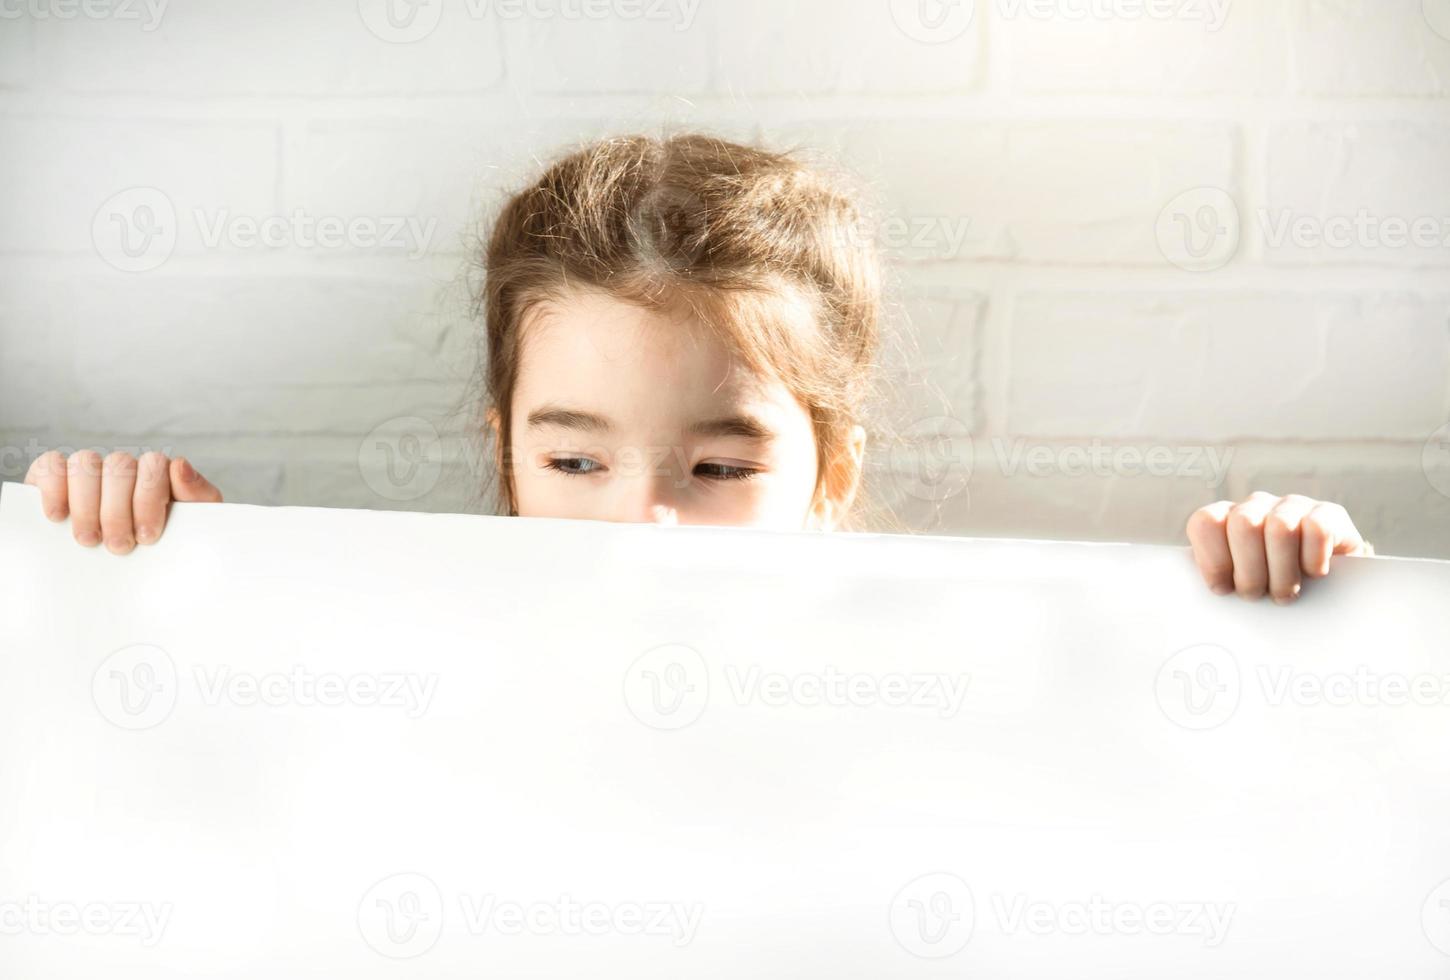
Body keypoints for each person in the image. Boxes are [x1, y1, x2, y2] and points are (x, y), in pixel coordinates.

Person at [23, 133, 1373, 605]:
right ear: (502, 451)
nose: (642, 525)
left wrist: (1302, 602)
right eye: (571, 459)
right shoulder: (388, 661)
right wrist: (165, 582)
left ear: (829, 472)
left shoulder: (943, 675)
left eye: (719, 465)